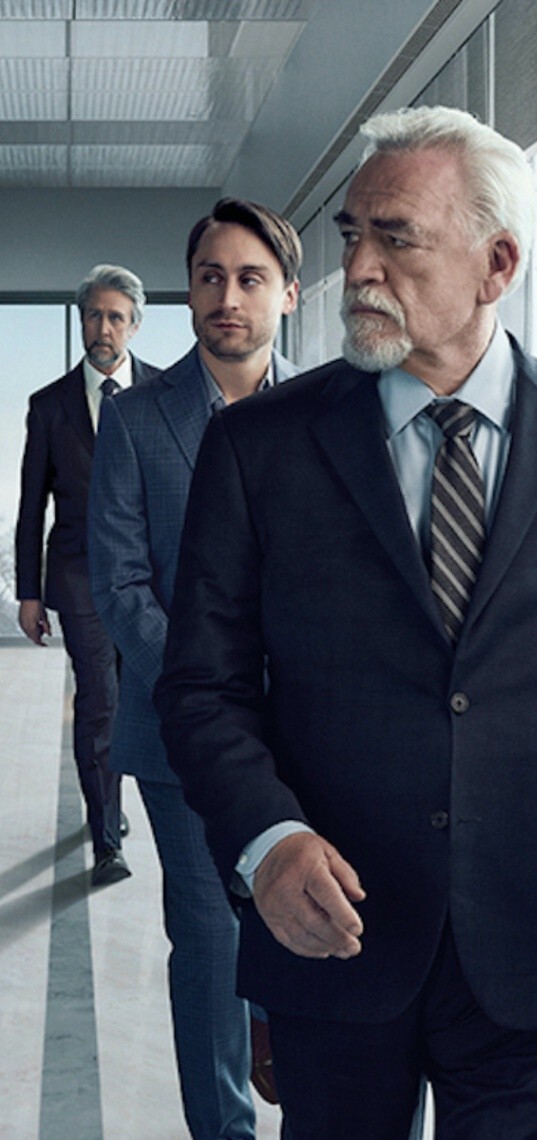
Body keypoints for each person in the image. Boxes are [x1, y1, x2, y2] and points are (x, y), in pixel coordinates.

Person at [155, 106, 537, 1139]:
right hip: (334, 938)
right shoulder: (261, 447)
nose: (362, 268)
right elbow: (204, 686)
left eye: (396, 237)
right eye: (352, 236)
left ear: (497, 262)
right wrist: (267, 840)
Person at [88, 198, 302, 1140]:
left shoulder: (330, 412)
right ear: (187, 293)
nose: (228, 296)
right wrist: (212, 695)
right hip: (182, 738)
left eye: (251, 278)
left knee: (308, 935)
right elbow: (122, 583)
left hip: (310, 733)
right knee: (212, 944)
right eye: (211, 277)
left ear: (288, 294)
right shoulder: (136, 422)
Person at [16, 264, 159, 886]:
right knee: (99, 704)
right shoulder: (49, 407)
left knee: (140, 703)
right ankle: (107, 842)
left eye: (116, 317)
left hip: (149, 582)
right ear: (82, 321)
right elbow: (30, 506)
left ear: (134, 325)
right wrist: (28, 591)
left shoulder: (161, 393)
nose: (104, 328)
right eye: (94, 315)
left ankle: (113, 801)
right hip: (79, 580)